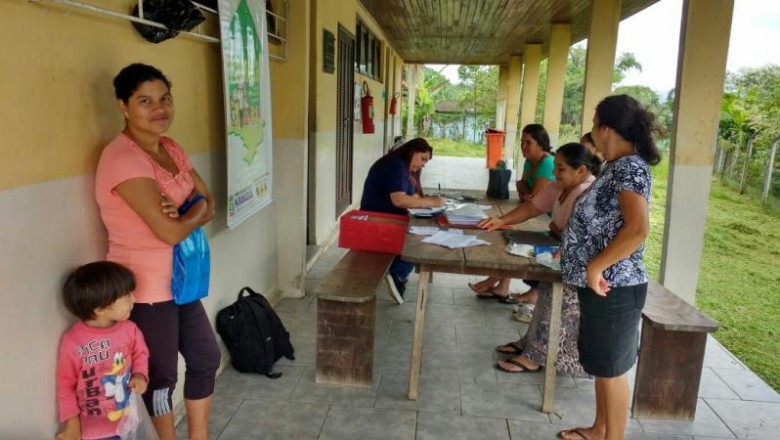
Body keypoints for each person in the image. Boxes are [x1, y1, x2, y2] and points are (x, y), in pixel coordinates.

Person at [95, 63, 221, 440]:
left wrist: (191, 210)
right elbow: (167, 232)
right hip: (145, 290)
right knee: (161, 377)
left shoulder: (170, 148)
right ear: (123, 106)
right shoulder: (122, 159)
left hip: (181, 281)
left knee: (205, 358)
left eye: (164, 98)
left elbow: (210, 203)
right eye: (145, 101)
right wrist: (193, 209)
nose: (159, 108)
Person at [557, 95, 661, 440]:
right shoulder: (617, 166)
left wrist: (594, 267)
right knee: (603, 364)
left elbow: (637, 229)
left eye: (593, 124)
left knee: (613, 370)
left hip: (614, 286)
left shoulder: (631, 168)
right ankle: (598, 428)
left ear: (605, 128)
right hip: (602, 286)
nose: (591, 132)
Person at [477, 143, 600, 376]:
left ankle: (536, 356)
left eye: (561, 169)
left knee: (558, 301)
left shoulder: (589, 191)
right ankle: (530, 343)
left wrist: (558, 228)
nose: (554, 173)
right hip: (561, 252)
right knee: (545, 293)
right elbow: (532, 207)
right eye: (555, 167)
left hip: (583, 267)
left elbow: (586, 234)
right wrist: (502, 221)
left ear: (581, 171)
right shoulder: (560, 186)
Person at [56, 261, 150, 440]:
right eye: (127, 296)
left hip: (130, 420)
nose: (135, 299)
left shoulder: (130, 329)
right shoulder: (73, 341)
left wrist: (139, 375)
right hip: (96, 432)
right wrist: (72, 424)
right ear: (100, 309)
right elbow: (65, 385)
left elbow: (140, 354)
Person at [469, 123, 555, 301]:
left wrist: (526, 194)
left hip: (546, 219)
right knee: (508, 232)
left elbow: (534, 198)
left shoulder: (547, 163)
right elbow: (522, 187)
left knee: (513, 237)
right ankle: (502, 285)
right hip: (539, 214)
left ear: (541, 144)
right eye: (522, 142)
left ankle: (511, 286)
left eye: (528, 142)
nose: (523, 146)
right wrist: (525, 194)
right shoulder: (530, 161)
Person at [360, 138, 445, 303]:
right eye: (423, 159)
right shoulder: (395, 165)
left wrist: (429, 202)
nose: (423, 165)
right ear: (412, 152)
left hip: (389, 219)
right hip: (378, 221)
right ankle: (398, 272)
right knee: (418, 242)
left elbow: (412, 196)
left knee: (425, 230)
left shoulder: (405, 168)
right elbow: (399, 200)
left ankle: (397, 271)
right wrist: (431, 202)